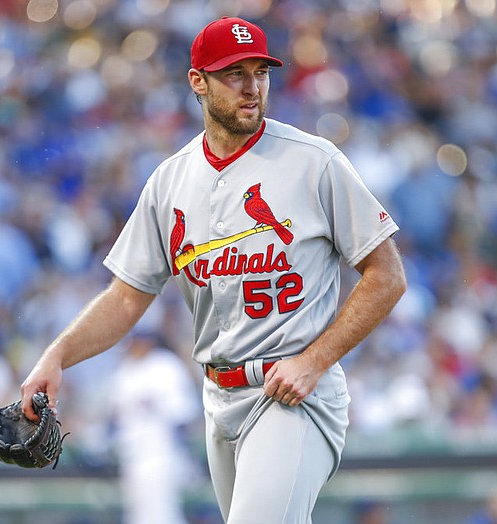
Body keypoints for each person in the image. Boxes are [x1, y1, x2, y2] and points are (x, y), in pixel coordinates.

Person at [21, 16, 407, 524]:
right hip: (218, 397)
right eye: (235, 74)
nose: (253, 88)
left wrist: (315, 360)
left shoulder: (314, 161)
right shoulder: (170, 181)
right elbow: (125, 297)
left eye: (260, 72)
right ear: (197, 82)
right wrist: (57, 355)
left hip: (292, 392)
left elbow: (387, 274)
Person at [107, 326, 200, 524]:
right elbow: (115, 416)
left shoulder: (166, 366)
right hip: (132, 457)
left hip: (163, 455)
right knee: (137, 516)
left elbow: (184, 416)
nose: (134, 347)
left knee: (163, 515)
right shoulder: (126, 370)